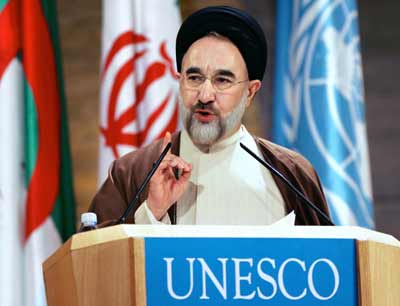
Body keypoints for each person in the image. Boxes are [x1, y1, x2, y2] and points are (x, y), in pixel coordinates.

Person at [89, 6, 330, 226]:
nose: (205, 95)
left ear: (250, 92)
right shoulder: (131, 173)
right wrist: (151, 212)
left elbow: (331, 262)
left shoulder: (292, 176)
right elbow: (88, 262)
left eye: (222, 80)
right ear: (180, 81)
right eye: (194, 78)